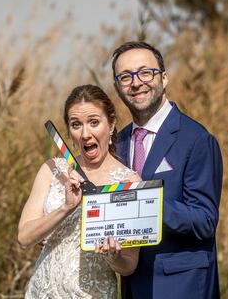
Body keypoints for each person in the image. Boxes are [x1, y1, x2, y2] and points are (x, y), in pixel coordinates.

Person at [112, 41, 223, 299]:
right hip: (132, 284)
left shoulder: (196, 139)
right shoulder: (118, 142)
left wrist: (146, 201)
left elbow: (205, 220)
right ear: (117, 87)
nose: (136, 82)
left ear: (164, 78)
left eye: (145, 72)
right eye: (125, 76)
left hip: (181, 285)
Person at [18, 84, 140, 298]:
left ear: (111, 125)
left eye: (94, 122)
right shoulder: (53, 170)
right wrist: (66, 207)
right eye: (76, 124)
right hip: (42, 291)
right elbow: (25, 237)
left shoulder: (129, 182)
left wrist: (113, 257)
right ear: (68, 131)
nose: (85, 134)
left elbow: (129, 265)